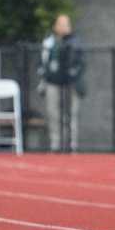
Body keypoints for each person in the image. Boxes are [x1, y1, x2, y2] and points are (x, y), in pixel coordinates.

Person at [38, 13, 85, 152]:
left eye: (66, 24)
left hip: (71, 83)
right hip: (53, 81)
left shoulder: (75, 41)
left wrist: (73, 74)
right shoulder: (49, 42)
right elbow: (42, 61)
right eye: (60, 24)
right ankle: (55, 145)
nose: (63, 27)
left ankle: (72, 145)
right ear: (55, 26)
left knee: (71, 115)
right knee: (53, 114)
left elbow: (81, 62)